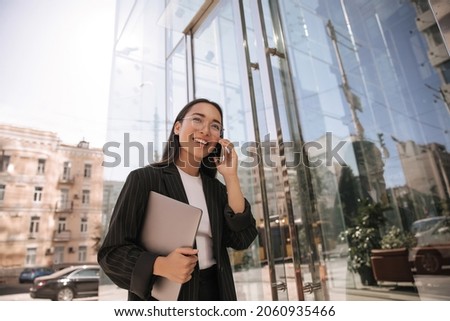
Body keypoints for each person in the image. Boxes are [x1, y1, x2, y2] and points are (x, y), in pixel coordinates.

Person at [98, 98, 258, 301]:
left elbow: (242, 238)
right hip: (166, 296)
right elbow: (111, 254)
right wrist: (161, 265)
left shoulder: (216, 190)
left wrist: (231, 177)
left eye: (215, 126)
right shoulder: (145, 179)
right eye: (198, 120)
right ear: (177, 127)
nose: (206, 130)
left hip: (216, 293)